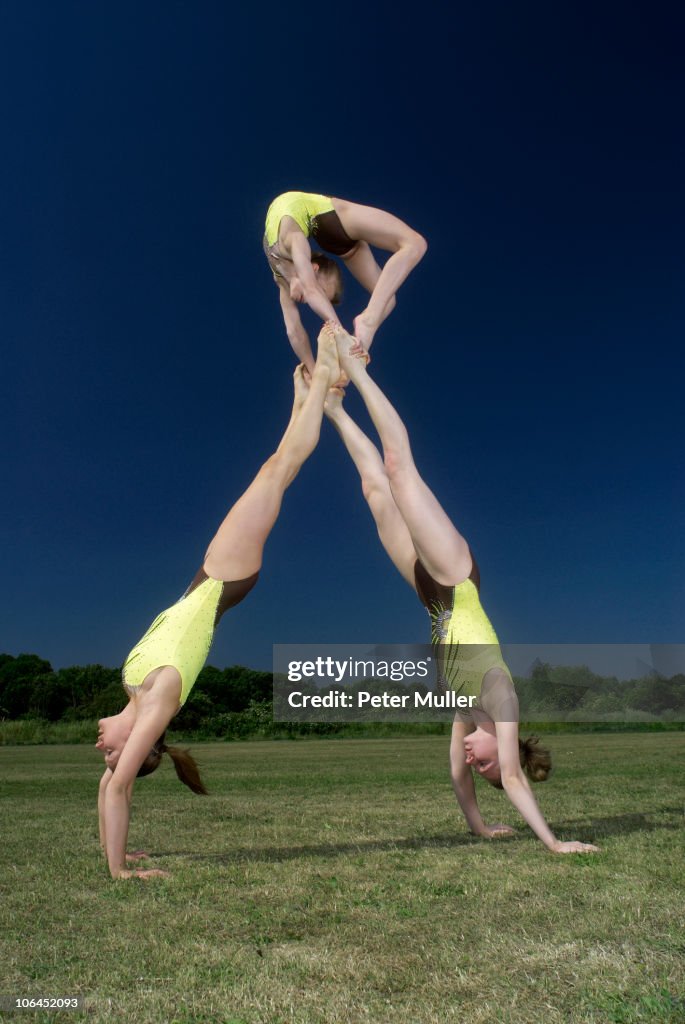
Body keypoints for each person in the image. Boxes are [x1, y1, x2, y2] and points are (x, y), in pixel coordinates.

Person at [322, 322, 599, 854]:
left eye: (480, 766)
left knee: (376, 494)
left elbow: (456, 774)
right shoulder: (501, 701)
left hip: (430, 596)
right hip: (456, 578)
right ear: (505, 748)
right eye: (485, 763)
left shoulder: (466, 712)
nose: (474, 761)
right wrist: (554, 843)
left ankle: (334, 409)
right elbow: (512, 778)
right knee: (400, 472)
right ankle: (357, 370)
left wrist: (479, 826)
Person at [95, 332, 342, 879]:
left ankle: (306, 399)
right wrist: (120, 873)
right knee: (277, 471)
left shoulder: (134, 688)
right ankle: (323, 379)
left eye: (107, 755)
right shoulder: (158, 701)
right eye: (112, 753)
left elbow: (112, 788)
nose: (101, 749)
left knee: (276, 471)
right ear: (140, 744)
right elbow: (118, 786)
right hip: (224, 580)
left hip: (206, 577)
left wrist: (120, 852)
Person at [264, 191, 427, 373]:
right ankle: (364, 330)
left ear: (313, 269)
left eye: (322, 294)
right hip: (330, 222)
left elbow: (310, 293)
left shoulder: (290, 246)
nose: (316, 301)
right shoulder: (284, 268)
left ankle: (363, 332)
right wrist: (312, 368)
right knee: (412, 249)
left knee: (391, 289)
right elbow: (294, 331)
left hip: (324, 218)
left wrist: (340, 335)